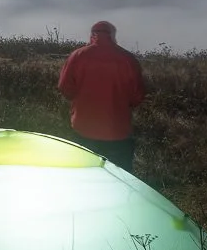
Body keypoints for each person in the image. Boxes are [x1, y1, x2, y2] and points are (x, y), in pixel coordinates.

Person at [57, 20, 146, 173]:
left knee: (84, 174)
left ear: (92, 35)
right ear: (113, 36)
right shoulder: (128, 59)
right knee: (119, 178)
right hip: (118, 131)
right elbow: (137, 96)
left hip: (83, 128)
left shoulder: (77, 56)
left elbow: (65, 89)